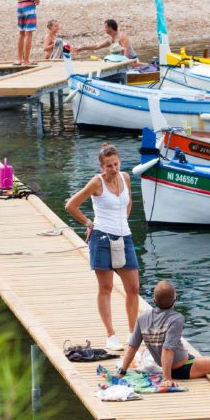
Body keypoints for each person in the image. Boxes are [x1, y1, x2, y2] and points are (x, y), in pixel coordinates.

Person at [65, 143, 140, 352]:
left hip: (125, 237)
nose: (114, 169)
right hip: (102, 238)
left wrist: (123, 221)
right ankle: (110, 335)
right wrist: (89, 224)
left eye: (116, 164)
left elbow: (129, 202)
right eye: (109, 166)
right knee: (106, 288)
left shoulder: (125, 178)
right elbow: (71, 205)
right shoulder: (96, 183)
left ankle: (133, 333)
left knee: (133, 288)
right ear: (101, 167)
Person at [116, 280, 210, 390]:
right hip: (184, 368)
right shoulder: (176, 319)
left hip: (175, 364)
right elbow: (167, 349)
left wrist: (122, 371)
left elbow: (132, 347)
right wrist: (167, 379)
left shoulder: (142, 318)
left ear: (154, 300)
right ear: (175, 299)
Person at [73, 19, 137, 60]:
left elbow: (127, 52)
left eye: (105, 27)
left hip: (131, 60)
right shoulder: (110, 40)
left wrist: (123, 63)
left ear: (110, 28)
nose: (104, 29)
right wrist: (82, 48)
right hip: (120, 62)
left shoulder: (122, 37)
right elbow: (97, 46)